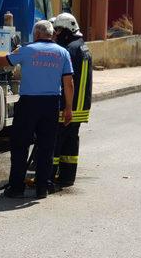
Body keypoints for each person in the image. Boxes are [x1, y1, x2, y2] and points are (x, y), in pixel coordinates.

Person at [0, 20, 74, 199]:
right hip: (51, 104)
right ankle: (42, 187)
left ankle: (16, 187)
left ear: (37, 34)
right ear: (51, 34)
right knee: (46, 147)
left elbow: (5, 61)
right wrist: (69, 109)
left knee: (20, 146)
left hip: (28, 105)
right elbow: (69, 83)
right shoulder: (62, 53)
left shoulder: (26, 50)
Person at [52, 13, 92, 187]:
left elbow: (67, 81)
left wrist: (66, 105)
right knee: (70, 141)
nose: (57, 33)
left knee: (56, 140)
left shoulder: (69, 50)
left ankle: (48, 177)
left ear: (67, 30)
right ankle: (67, 177)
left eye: (59, 30)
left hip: (68, 105)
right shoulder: (82, 47)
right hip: (81, 106)